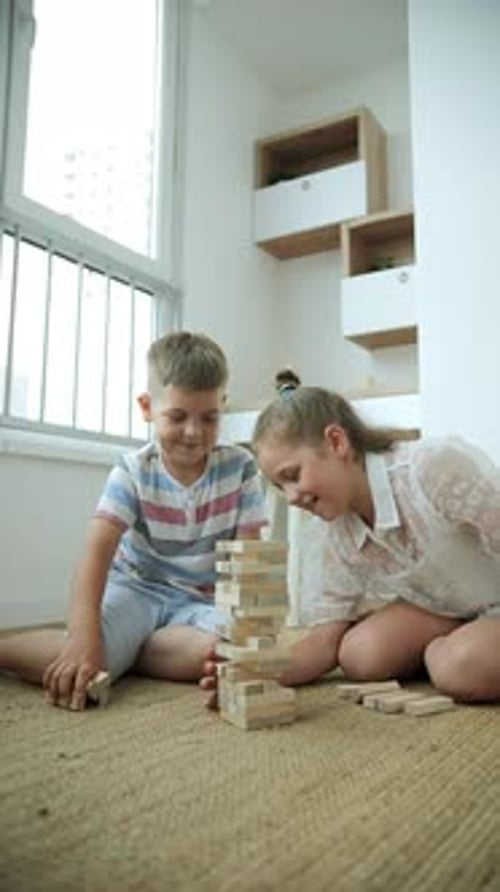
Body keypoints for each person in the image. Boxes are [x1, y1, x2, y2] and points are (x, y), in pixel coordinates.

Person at [0, 331, 267, 710]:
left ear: (223, 405)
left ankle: (129, 650)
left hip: (200, 603)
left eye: (210, 417)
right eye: (177, 416)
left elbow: (250, 559)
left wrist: (251, 634)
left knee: (222, 653)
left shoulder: (241, 469)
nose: (194, 433)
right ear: (147, 407)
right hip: (136, 590)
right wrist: (83, 637)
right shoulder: (133, 470)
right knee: (86, 664)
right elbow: (96, 553)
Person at [201, 386, 500, 704]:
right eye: (279, 487)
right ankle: (458, 638)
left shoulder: (431, 470)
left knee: (459, 668)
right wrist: (257, 672)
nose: (291, 498)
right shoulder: (334, 531)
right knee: (360, 656)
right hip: (451, 606)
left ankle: (453, 650)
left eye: (293, 475)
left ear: (336, 442)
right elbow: (323, 641)